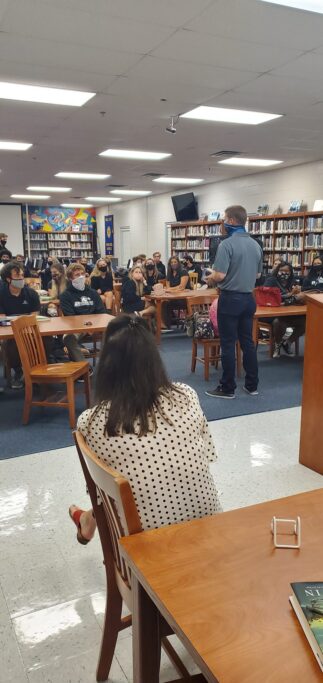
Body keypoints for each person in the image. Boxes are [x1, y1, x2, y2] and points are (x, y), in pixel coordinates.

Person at [69, 315, 221, 543]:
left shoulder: (93, 420)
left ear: (107, 363)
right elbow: (207, 456)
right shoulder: (185, 395)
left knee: (115, 487)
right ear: (154, 357)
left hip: (147, 547)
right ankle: (88, 520)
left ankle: (88, 521)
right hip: (209, 528)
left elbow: (102, 493)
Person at [206, 205, 262, 399]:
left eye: (224, 218)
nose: (222, 222)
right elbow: (257, 274)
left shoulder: (226, 245)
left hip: (230, 299)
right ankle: (252, 385)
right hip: (249, 298)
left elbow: (220, 275)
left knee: (228, 343)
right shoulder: (256, 245)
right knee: (247, 342)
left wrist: (210, 276)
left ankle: (228, 387)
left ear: (230, 221)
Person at [0, 261, 40, 388]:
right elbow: (2, 318)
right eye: (17, 277)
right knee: (11, 342)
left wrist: (23, 322)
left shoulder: (31, 293)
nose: (21, 278)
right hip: (9, 330)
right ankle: (18, 371)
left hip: (29, 329)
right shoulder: (1, 294)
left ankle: (38, 370)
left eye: (22, 275)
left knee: (46, 339)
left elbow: (34, 315)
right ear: (8, 279)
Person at [59, 263, 105, 363]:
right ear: (70, 278)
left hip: (96, 324)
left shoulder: (93, 293)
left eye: (82, 274)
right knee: (68, 338)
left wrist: (93, 326)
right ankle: (84, 368)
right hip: (78, 326)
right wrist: (86, 326)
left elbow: (101, 311)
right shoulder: (65, 296)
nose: (80, 277)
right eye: (77, 275)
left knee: (117, 332)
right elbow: (70, 317)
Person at [264, 261, 306, 357]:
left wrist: (297, 293)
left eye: (287, 271)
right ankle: (277, 345)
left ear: (291, 273)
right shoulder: (272, 280)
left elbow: (293, 298)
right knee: (278, 322)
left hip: (288, 312)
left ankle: (288, 342)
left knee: (304, 322)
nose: (284, 273)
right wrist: (290, 294)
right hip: (272, 313)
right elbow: (266, 295)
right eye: (281, 270)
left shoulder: (291, 282)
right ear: (277, 270)